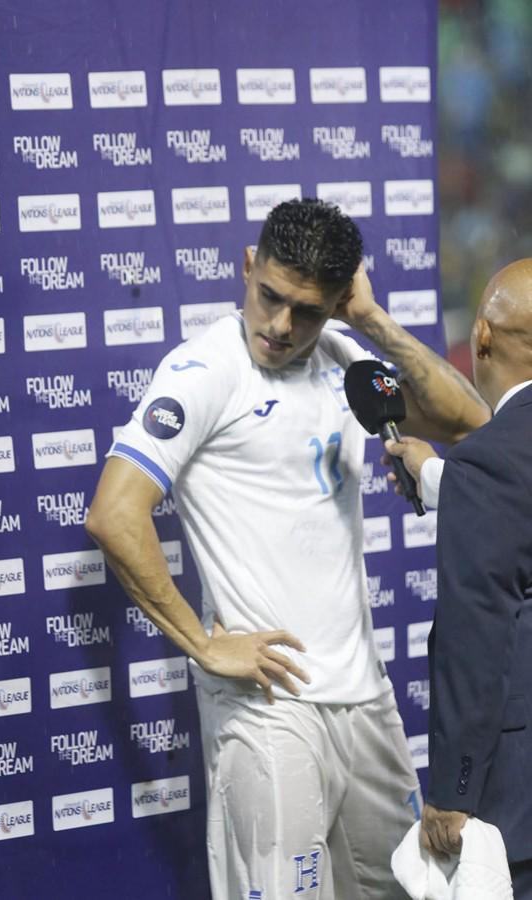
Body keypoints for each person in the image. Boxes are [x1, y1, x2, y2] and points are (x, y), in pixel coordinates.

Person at [86, 199, 488, 899]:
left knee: (409, 890)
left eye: (308, 310)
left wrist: (369, 320)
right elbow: (115, 516)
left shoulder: (344, 357)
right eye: (269, 296)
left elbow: (468, 421)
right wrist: (206, 646)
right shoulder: (206, 370)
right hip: (270, 710)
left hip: (366, 701)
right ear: (248, 266)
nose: (280, 325)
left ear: (337, 301)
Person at [385, 259, 532, 898]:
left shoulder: (489, 465)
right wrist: (446, 480)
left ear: (481, 339)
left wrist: (452, 790)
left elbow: (477, 633)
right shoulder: (487, 469)